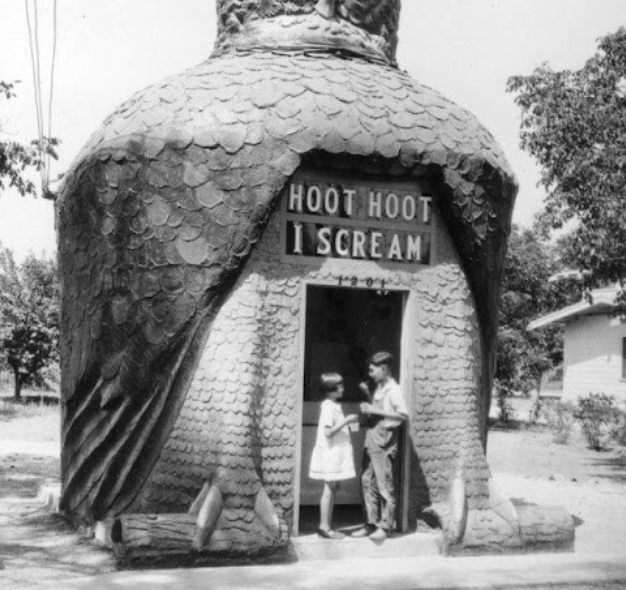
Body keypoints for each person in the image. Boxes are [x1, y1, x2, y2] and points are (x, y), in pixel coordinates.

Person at [352, 352, 408, 541]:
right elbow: (379, 411)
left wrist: (374, 409)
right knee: (367, 482)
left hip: (385, 442)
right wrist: (368, 404)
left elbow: (403, 415)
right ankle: (370, 523)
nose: (371, 374)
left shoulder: (394, 390)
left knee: (385, 485)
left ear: (384, 369)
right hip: (371, 440)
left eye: (373, 370)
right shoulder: (379, 388)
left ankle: (386, 526)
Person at [309, 372, 359, 539]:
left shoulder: (334, 405)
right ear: (331, 389)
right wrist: (347, 421)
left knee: (334, 487)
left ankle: (327, 525)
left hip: (336, 453)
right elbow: (328, 431)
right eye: (340, 386)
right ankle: (324, 527)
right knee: (329, 488)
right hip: (330, 453)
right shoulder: (328, 407)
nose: (343, 388)